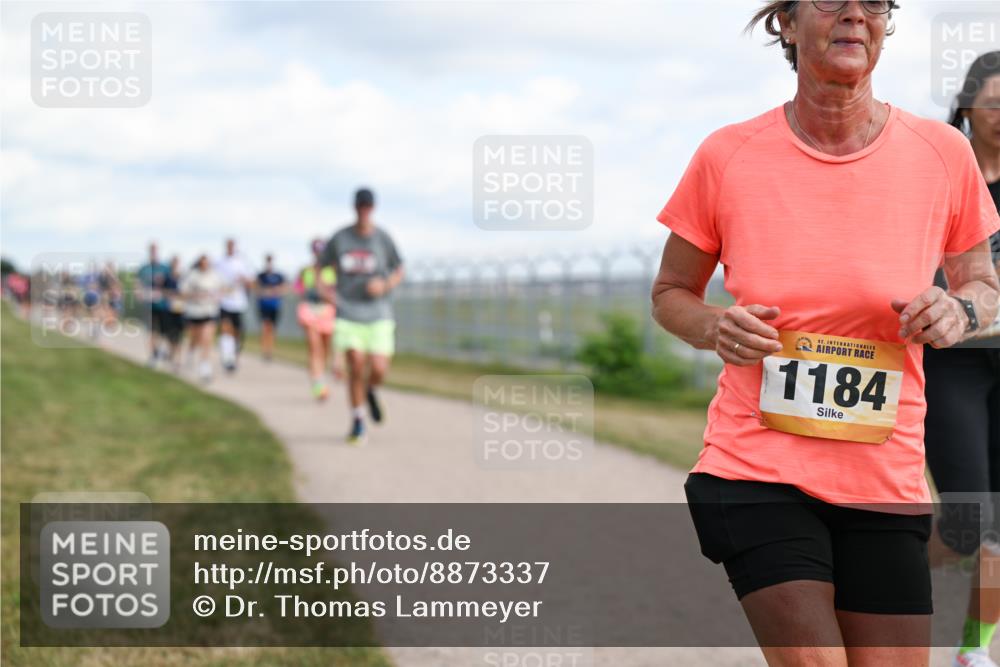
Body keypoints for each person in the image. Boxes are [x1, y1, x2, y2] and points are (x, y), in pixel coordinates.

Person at [650, 2, 1000, 664]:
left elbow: (982, 281)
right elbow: (671, 294)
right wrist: (715, 326)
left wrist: (961, 312)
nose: (854, 14)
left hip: (883, 475)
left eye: (873, 2)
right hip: (756, 467)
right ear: (785, 21)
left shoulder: (942, 153)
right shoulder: (728, 155)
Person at [923, 51, 1000, 667]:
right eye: (995, 102)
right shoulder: (938, 171)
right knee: (966, 522)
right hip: (953, 363)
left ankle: (974, 650)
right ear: (968, 103)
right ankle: (859, 567)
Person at [321, 187, 404, 444]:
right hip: (348, 311)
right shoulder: (340, 238)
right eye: (360, 206)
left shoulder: (383, 238)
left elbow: (399, 268)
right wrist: (327, 292)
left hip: (378, 313)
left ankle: (371, 390)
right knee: (355, 363)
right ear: (355, 207)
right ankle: (357, 421)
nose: (364, 210)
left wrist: (385, 285)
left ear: (373, 208)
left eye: (368, 206)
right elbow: (320, 268)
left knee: (378, 368)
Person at [296, 239, 339, 401]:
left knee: (325, 348)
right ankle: (318, 382)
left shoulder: (332, 271)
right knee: (315, 348)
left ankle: (321, 375)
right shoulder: (306, 271)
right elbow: (299, 289)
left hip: (327, 311)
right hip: (310, 310)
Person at [181, 254, 223, 383]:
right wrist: (195, 295)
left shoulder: (214, 276)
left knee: (207, 339)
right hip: (195, 312)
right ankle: (190, 354)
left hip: (209, 311)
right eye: (202, 263)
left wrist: (216, 297)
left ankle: (205, 366)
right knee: (195, 338)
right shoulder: (192, 276)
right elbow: (183, 291)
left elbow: (221, 290)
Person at [215, 238, 254, 373]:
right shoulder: (219, 262)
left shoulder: (242, 262)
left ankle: (234, 357)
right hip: (224, 301)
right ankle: (227, 358)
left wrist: (243, 280)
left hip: (238, 303)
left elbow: (251, 282)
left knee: (237, 332)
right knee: (226, 328)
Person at [136, 243, 170, 367]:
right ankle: (152, 355)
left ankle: (157, 350)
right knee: (151, 330)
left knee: (161, 331)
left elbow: (170, 284)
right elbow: (137, 284)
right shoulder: (144, 268)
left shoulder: (164, 268)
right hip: (148, 305)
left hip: (162, 305)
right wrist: (139, 294)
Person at [255, 254, 287, 362]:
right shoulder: (261, 276)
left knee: (272, 329)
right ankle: (264, 350)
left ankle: (270, 351)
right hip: (263, 306)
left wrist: (276, 290)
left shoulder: (278, 276)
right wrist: (266, 291)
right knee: (264, 328)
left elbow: (284, 289)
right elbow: (257, 290)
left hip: (274, 306)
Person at [161, 256, 186, 373]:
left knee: (179, 336)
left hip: (180, 311)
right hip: (169, 310)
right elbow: (162, 291)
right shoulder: (167, 278)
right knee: (170, 335)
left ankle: (178, 361)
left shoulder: (183, 278)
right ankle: (172, 353)